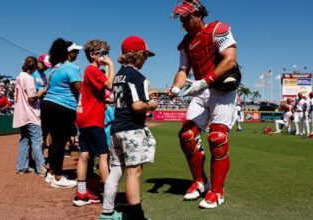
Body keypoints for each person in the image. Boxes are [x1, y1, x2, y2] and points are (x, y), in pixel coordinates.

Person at [169, 0, 241, 208]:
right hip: (202, 90)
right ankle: (200, 181)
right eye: (180, 19)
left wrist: (204, 81)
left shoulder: (219, 29)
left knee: (217, 138)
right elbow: (183, 70)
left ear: (198, 14)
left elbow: (230, 60)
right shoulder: (185, 42)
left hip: (222, 90)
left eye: (185, 18)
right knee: (186, 135)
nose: (182, 23)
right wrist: (175, 88)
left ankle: (217, 192)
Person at [100, 35, 157, 220]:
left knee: (116, 170)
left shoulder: (119, 75)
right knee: (134, 173)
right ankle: (136, 217)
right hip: (131, 129)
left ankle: (107, 213)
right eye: (145, 55)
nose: (146, 59)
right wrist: (152, 104)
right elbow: (137, 106)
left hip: (117, 128)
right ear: (137, 54)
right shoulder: (137, 76)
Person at [73, 39, 116, 207]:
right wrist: (111, 66)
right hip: (93, 120)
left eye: (107, 54)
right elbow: (109, 84)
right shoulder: (93, 70)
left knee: (84, 155)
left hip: (84, 118)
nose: (106, 57)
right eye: (103, 53)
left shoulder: (89, 71)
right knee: (103, 156)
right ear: (93, 55)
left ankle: (81, 193)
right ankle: (109, 194)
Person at [41, 38, 82, 188]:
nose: (77, 53)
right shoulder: (70, 67)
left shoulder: (55, 68)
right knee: (60, 142)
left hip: (49, 105)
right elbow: (79, 89)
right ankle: (58, 178)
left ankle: (52, 173)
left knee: (55, 142)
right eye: (75, 51)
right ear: (69, 53)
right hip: (63, 107)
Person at [12, 56, 47, 175]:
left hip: (21, 113)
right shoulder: (29, 78)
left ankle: (21, 167)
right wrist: (41, 92)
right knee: (37, 141)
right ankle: (41, 169)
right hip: (30, 113)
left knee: (24, 140)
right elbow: (31, 98)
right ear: (33, 67)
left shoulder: (18, 76)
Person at [32, 53, 51, 150]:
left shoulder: (44, 75)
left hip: (43, 103)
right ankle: (31, 158)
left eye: (47, 66)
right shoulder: (32, 72)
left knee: (45, 129)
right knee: (34, 132)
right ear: (39, 62)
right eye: (44, 65)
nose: (46, 68)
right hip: (34, 103)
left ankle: (41, 153)